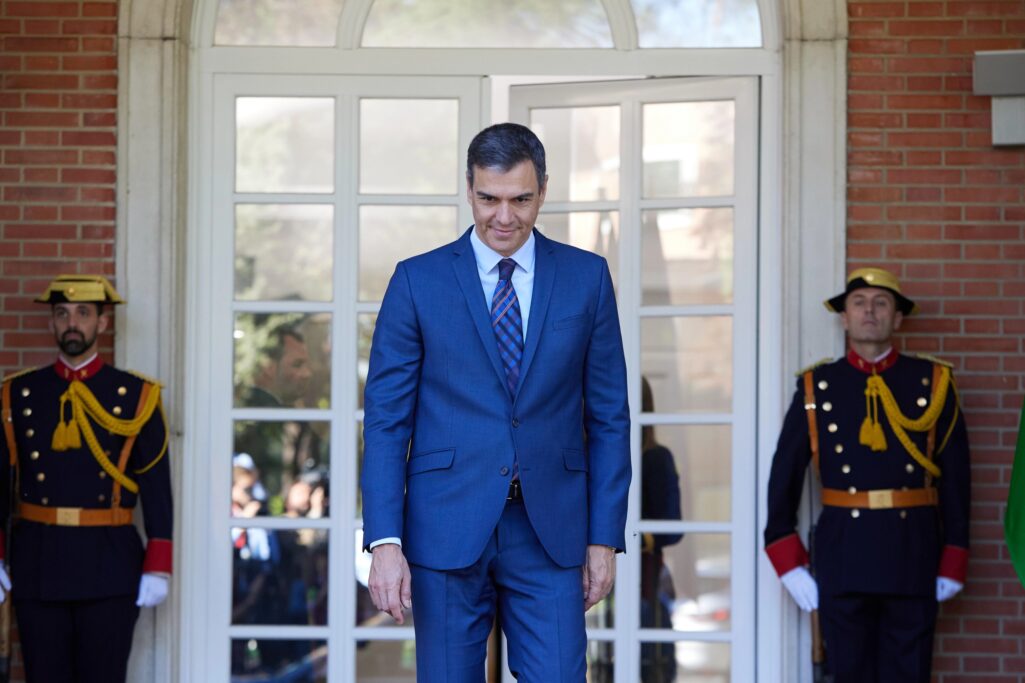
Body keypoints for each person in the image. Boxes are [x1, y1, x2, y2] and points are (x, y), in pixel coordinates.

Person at [361, 122, 631, 682]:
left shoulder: (587, 279)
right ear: (469, 189)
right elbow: (387, 422)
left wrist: (604, 537)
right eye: (489, 198)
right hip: (444, 527)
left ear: (544, 190)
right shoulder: (416, 281)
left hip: (551, 533)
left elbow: (609, 418)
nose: (503, 217)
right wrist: (385, 541)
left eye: (520, 199)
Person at [764, 267, 970, 682]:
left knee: (909, 673)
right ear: (845, 318)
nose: (869, 312)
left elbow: (958, 478)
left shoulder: (933, 382)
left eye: (881, 303)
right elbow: (782, 477)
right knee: (848, 672)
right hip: (844, 554)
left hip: (913, 551)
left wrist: (954, 556)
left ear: (897, 318)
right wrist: (786, 558)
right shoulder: (816, 386)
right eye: (859, 303)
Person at [0, 274, 173, 683]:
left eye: (83, 313)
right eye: (62, 314)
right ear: (52, 324)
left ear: (102, 323)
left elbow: (156, 485)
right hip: (38, 563)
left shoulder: (135, 395)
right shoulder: (18, 393)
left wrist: (158, 563)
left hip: (109, 565)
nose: (71, 322)